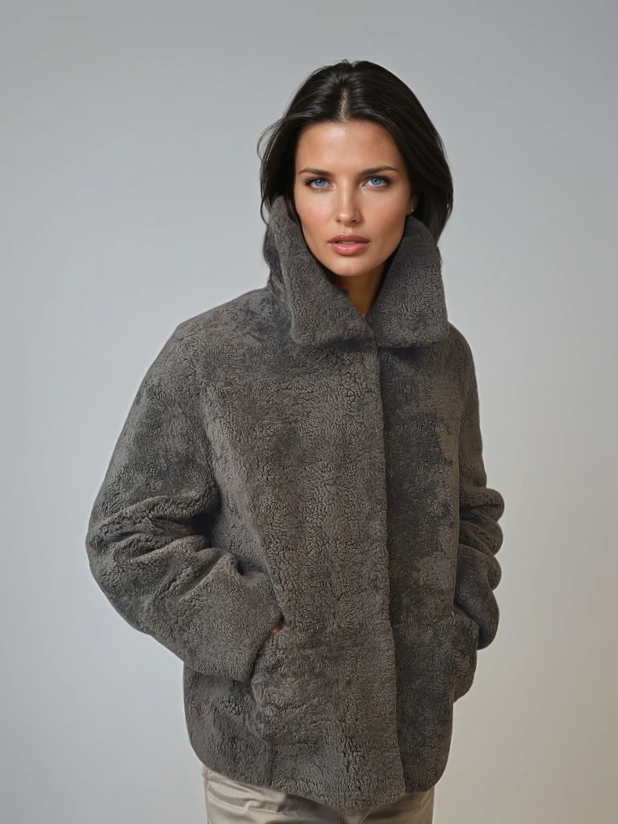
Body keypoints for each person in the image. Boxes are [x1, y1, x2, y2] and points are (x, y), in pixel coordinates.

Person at [85, 59, 505, 824]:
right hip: (269, 770)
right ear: (287, 196)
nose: (345, 210)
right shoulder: (214, 352)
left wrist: (449, 640)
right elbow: (125, 536)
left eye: (375, 180)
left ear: (415, 192)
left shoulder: (444, 356)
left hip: (408, 759)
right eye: (319, 181)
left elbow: (470, 512)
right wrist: (261, 644)